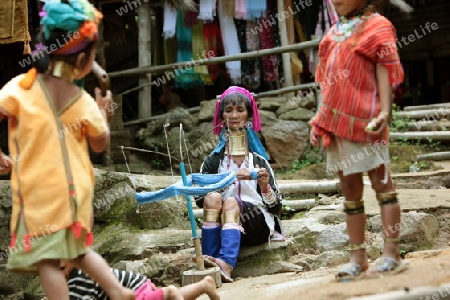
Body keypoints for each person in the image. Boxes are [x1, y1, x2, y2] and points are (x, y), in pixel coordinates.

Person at [0, 0, 134, 299]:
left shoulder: (19, 88)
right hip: (75, 192)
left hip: (40, 192)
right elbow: (100, 144)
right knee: (76, 251)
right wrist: (104, 115)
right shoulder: (81, 99)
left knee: (48, 259)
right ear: (85, 59)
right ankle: (116, 290)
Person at [309, 0, 411, 280]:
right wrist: (320, 119)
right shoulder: (334, 33)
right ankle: (358, 257)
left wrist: (385, 113)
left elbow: (385, 71)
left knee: (381, 182)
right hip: (337, 123)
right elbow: (327, 82)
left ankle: (392, 252)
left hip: (367, 121)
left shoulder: (378, 26)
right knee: (350, 188)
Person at [196, 86, 288, 283]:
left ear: (248, 116)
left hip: (256, 224)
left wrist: (265, 187)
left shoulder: (259, 161)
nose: (234, 115)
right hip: (225, 226)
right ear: (221, 116)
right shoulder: (213, 161)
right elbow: (199, 199)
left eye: (240, 110)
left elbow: (276, 206)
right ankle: (209, 260)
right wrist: (231, 178)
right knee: (213, 197)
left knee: (231, 202)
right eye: (228, 111)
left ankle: (226, 264)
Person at [61, 262, 220, 300]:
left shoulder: (79, 279)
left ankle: (167, 291)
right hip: (136, 285)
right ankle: (203, 285)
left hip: (133, 289)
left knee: (165, 296)